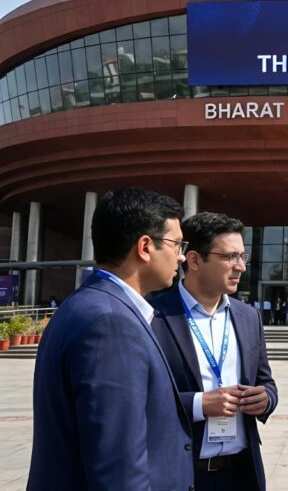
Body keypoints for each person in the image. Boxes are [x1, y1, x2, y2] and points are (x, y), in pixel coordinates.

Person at [28, 187, 193, 490]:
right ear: (145, 247)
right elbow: (119, 469)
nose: (181, 256)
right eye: (176, 244)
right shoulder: (112, 324)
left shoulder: (88, 304)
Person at [150, 212, 278, 490]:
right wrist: (199, 405)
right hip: (184, 474)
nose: (241, 267)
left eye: (242, 256)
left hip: (243, 473)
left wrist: (265, 399)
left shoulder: (249, 317)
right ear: (195, 260)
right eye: (230, 257)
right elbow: (141, 399)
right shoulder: (153, 316)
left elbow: (265, 381)